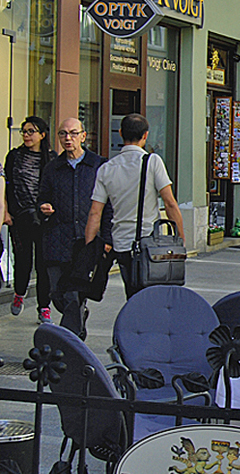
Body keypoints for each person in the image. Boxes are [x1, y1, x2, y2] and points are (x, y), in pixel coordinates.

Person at [84, 113, 184, 300]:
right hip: (149, 243)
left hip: (121, 243)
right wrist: (180, 238)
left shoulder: (107, 168)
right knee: (152, 295)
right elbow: (170, 203)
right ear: (145, 135)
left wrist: (89, 248)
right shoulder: (152, 162)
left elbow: (95, 213)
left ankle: (134, 323)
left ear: (120, 133)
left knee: (131, 293)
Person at [38, 118, 112, 339]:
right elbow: (42, 197)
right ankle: (79, 316)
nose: (67, 138)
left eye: (72, 133)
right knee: (57, 293)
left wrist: (107, 237)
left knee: (73, 294)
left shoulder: (98, 165)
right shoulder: (52, 168)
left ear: (83, 135)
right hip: (56, 239)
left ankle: (71, 342)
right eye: (62, 134)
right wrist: (43, 207)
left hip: (85, 242)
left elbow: (109, 205)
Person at [5, 116, 55, 323]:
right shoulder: (14, 156)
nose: (26, 135)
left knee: (44, 264)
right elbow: (6, 186)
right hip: (20, 216)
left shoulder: (52, 159)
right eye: (24, 131)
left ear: (42, 135)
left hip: (44, 219)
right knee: (23, 259)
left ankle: (44, 307)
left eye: (31, 131)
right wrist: (6, 212)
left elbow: (56, 189)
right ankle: (19, 293)